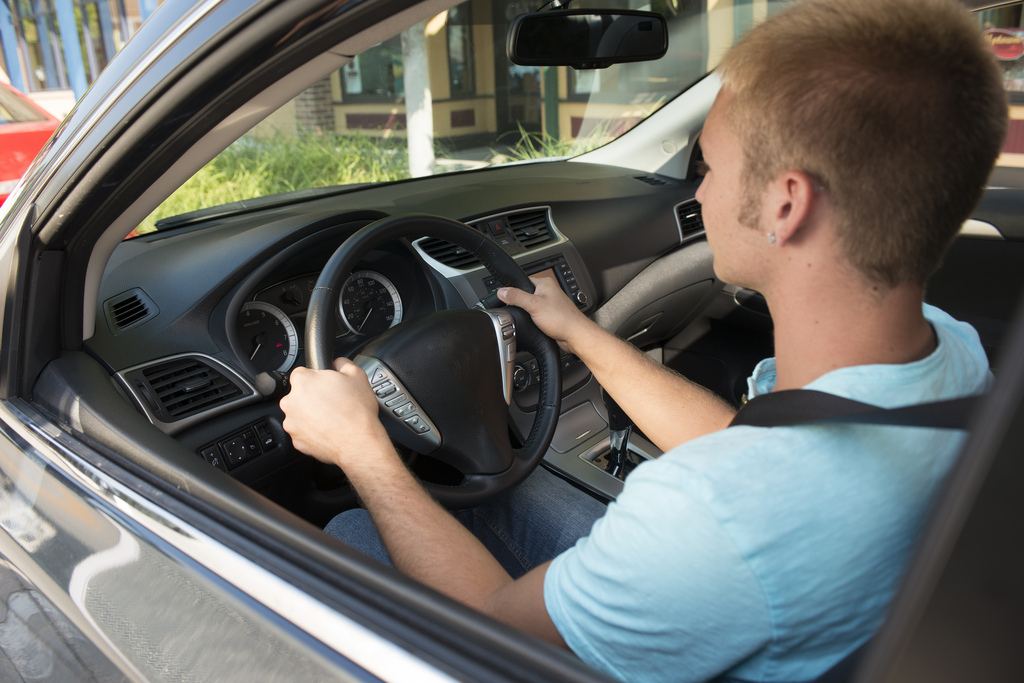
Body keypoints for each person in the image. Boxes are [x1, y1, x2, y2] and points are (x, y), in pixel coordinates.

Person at [280, 0, 1007, 679]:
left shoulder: (720, 513)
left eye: (710, 167)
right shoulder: (952, 354)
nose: (698, 192)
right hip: (783, 588)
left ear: (786, 205)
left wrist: (362, 448)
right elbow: (746, 441)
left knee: (350, 529)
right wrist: (581, 333)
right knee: (498, 493)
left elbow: (491, 626)